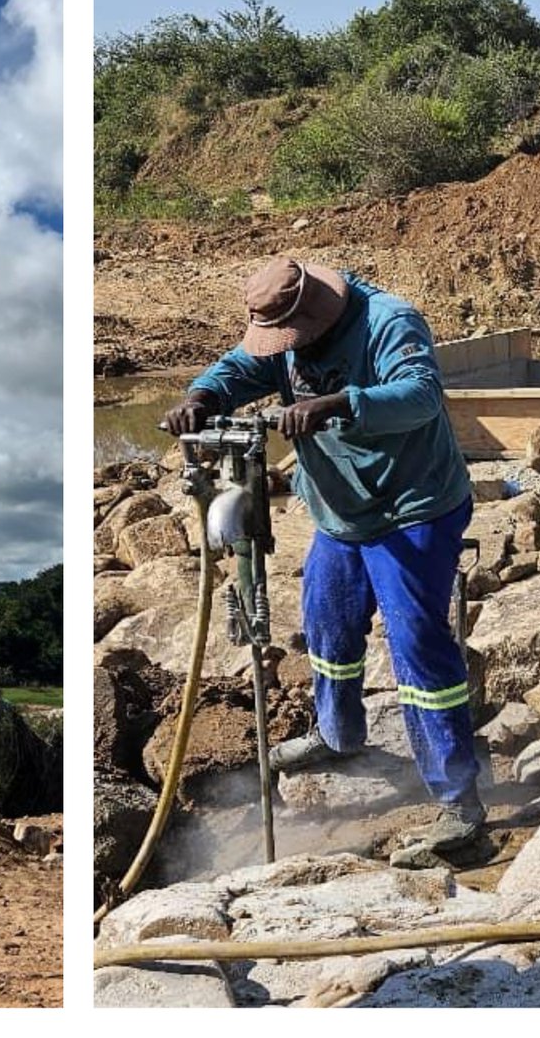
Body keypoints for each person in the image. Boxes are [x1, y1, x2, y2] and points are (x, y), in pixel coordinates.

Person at [163, 256, 484, 851]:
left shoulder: (390, 322)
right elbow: (240, 367)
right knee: (328, 627)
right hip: (339, 515)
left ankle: (458, 802)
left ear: (316, 315)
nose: (284, 349)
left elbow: (419, 394)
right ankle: (339, 736)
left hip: (412, 508)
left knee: (417, 647)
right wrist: (203, 395)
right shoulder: (286, 340)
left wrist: (339, 404)